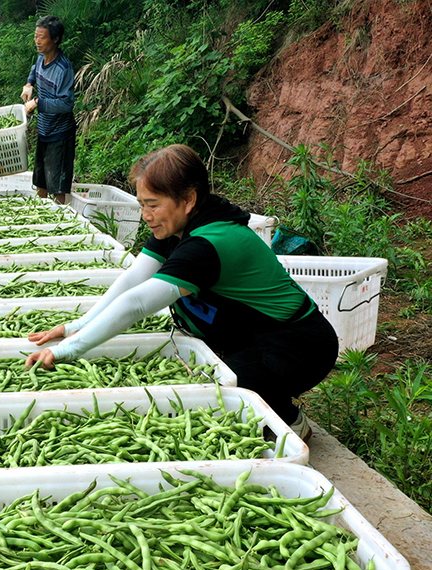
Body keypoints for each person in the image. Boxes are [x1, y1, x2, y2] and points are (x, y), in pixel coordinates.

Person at [24, 144, 338, 441]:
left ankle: (289, 420)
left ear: (187, 200)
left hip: (300, 345)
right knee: (211, 386)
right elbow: (134, 279)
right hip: (257, 334)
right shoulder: (177, 225)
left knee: (228, 388)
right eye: (141, 204)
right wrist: (75, 327)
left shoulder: (209, 243)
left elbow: (137, 304)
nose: (146, 215)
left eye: (152, 204)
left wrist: (68, 350)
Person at [21, 15, 75, 205]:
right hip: (44, 131)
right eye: (36, 36)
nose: (37, 41)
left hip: (60, 135)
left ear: (55, 39)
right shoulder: (41, 58)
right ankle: (41, 216)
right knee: (41, 182)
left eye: (42, 37)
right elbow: (35, 68)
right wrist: (29, 83)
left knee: (57, 186)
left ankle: (59, 220)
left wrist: (37, 102)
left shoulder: (63, 68)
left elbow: (66, 104)